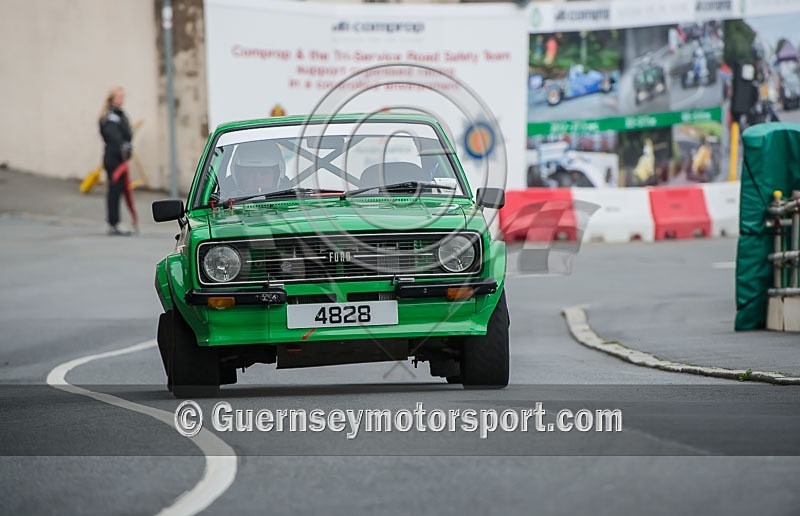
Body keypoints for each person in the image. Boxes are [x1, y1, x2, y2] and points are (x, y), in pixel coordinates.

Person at [99, 86, 135, 235]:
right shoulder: (110, 116)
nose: (122, 99)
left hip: (121, 159)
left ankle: (116, 222)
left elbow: (128, 133)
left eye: (123, 96)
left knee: (119, 190)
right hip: (113, 159)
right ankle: (113, 223)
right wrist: (122, 144)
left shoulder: (121, 114)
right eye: (119, 96)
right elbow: (112, 136)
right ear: (112, 98)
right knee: (114, 190)